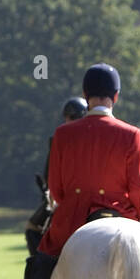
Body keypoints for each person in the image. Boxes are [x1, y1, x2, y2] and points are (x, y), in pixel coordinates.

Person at [23, 64, 140, 279]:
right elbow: (137, 188)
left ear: (85, 94)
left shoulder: (64, 134)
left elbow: (56, 190)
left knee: (39, 270)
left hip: (71, 219)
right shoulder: (131, 134)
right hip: (121, 215)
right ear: (116, 97)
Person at [26, 96, 89, 254]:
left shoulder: (59, 138)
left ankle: (40, 274)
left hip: (68, 199)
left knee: (32, 228)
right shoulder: (95, 135)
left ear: (67, 116)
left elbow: (50, 177)